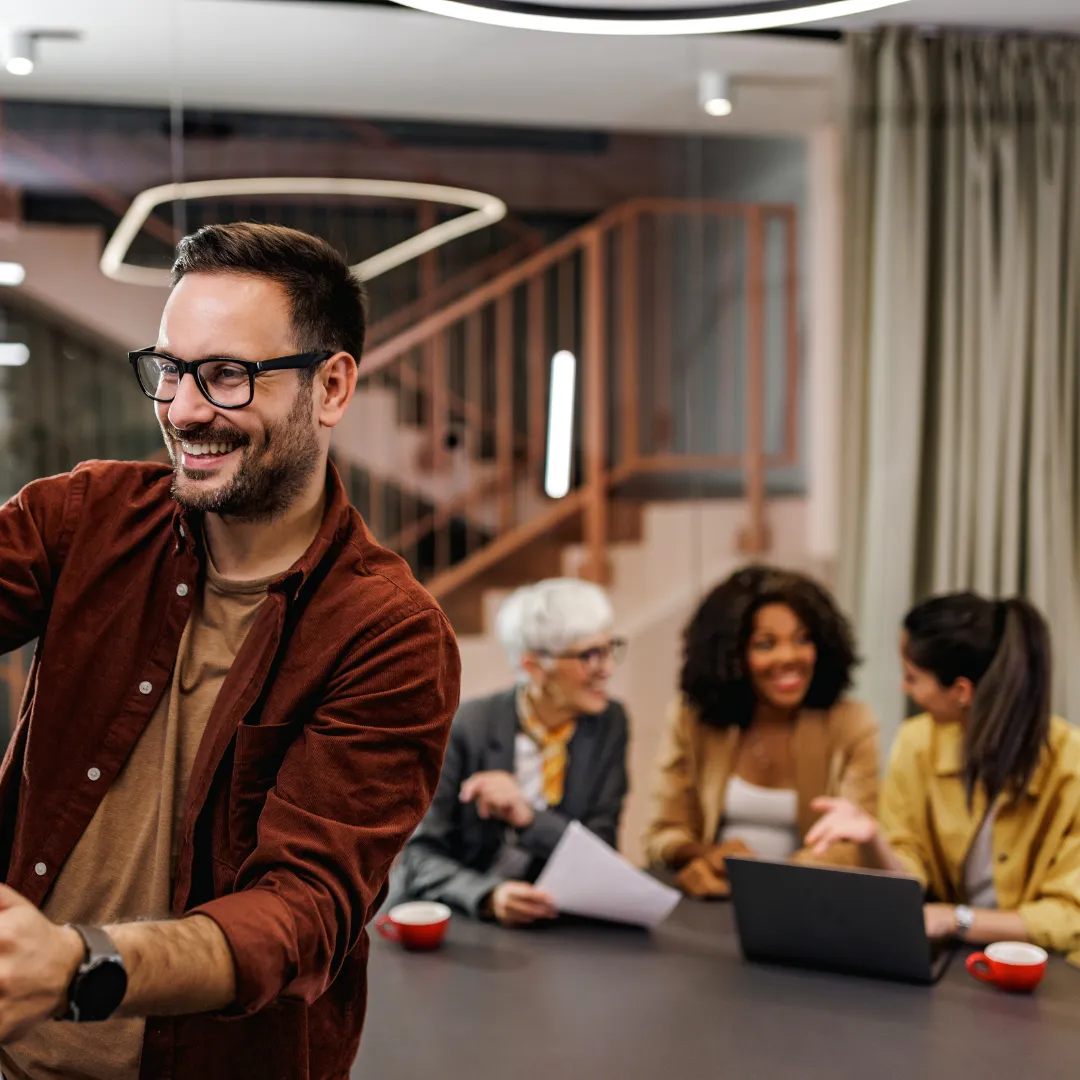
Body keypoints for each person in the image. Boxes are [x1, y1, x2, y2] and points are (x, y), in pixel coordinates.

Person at [0, 223, 460, 1079]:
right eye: (170, 370)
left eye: (226, 375)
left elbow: (303, 912)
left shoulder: (388, 634)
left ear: (331, 385)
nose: (181, 408)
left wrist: (77, 965)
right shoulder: (85, 519)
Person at [807, 592, 1080, 962]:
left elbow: (1069, 915)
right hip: (951, 964)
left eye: (912, 676)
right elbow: (909, 874)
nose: (905, 688)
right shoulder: (916, 743)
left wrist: (956, 919)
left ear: (961, 691)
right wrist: (872, 839)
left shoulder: (1070, 765)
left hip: (1047, 971)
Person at [390, 578, 629, 927]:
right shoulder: (469, 726)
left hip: (543, 921)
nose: (607, 669)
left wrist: (529, 818)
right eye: (589, 655)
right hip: (451, 919)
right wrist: (489, 895)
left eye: (610, 649)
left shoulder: (609, 723)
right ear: (534, 667)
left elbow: (601, 848)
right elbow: (419, 855)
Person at [643, 566, 879, 898]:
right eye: (765, 645)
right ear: (730, 655)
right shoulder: (691, 718)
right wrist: (706, 855)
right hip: (711, 901)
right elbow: (663, 833)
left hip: (809, 903)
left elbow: (853, 845)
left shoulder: (851, 723)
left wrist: (762, 883)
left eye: (803, 639)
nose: (789, 657)